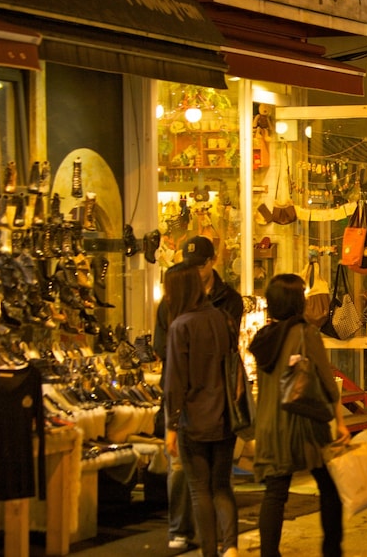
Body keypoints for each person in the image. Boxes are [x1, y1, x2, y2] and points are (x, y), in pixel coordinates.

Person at [247, 274, 350, 557]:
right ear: (296, 302)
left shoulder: (263, 338)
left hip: (269, 425)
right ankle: (332, 549)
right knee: (329, 487)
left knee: (275, 493)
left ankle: (269, 553)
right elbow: (327, 381)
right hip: (302, 425)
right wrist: (339, 421)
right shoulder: (305, 334)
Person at [153, 236, 243, 551]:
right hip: (223, 414)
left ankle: (207, 549)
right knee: (221, 486)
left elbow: (175, 380)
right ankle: (230, 545)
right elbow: (233, 363)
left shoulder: (182, 324)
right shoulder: (222, 317)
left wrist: (171, 425)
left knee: (199, 489)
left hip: (194, 417)